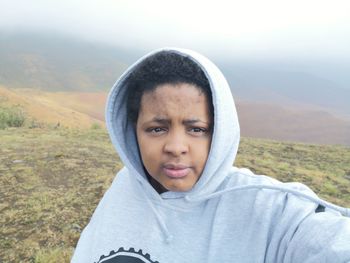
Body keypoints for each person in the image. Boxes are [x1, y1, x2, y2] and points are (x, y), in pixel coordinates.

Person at [71, 48, 350, 262]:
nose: (176, 146)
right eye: (157, 129)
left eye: (196, 129)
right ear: (134, 131)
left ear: (220, 132)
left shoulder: (267, 207)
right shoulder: (125, 185)